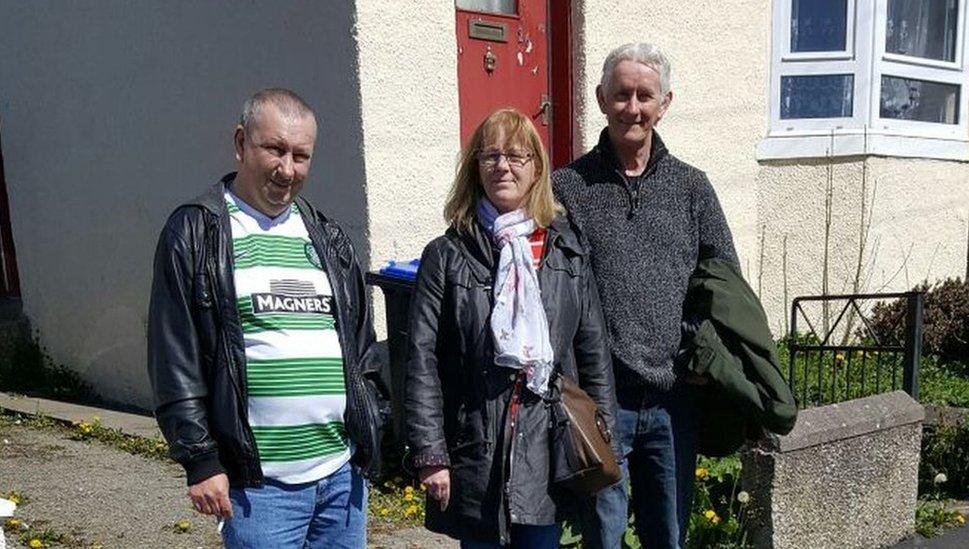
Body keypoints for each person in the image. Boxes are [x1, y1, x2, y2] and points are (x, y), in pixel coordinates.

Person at [147, 88, 387, 548]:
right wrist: (199, 460)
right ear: (241, 143)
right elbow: (173, 356)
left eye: (301, 155)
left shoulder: (328, 237)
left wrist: (372, 423)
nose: (287, 169)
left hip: (340, 477)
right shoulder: (197, 233)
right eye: (274, 149)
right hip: (261, 489)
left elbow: (361, 349)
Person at [552, 43, 739, 548]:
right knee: (604, 536)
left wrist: (697, 346)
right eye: (621, 95)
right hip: (601, 400)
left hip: (674, 397)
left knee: (668, 536)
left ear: (664, 103)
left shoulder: (692, 188)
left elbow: (723, 280)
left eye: (644, 95)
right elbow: (558, 289)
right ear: (600, 99)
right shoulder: (568, 187)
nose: (632, 107)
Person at [405, 108, 616, 548]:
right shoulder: (446, 255)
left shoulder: (566, 252)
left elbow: (592, 352)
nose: (503, 166)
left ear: (536, 168)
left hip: (547, 447)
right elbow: (422, 359)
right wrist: (431, 453)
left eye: (517, 156)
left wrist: (603, 434)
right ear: (475, 168)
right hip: (476, 449)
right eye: (491, 155)